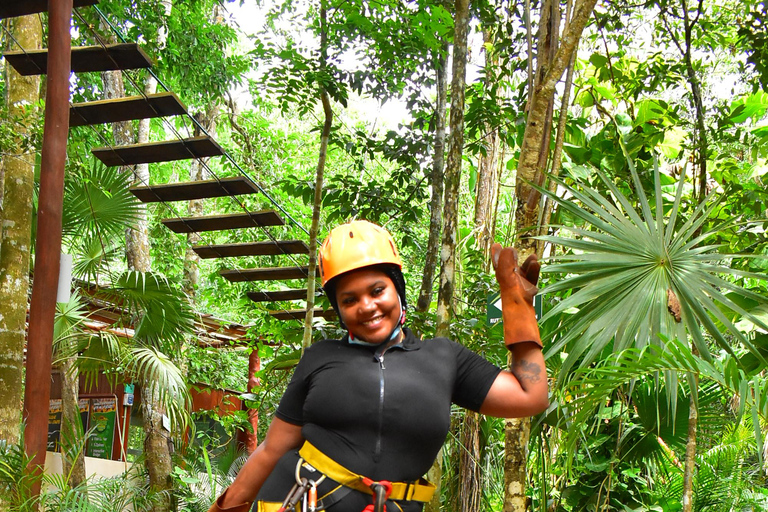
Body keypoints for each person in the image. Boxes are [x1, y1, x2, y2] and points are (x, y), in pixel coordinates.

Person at [208, 220, 548, 512]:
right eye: (349, 300)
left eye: (377, 290)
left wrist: (516, 305)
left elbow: (529, 396)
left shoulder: (444, 357)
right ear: (339, 310)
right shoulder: (321, 357)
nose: (366, 307)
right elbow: (272, 449)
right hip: (301, 499)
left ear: (397, 290)